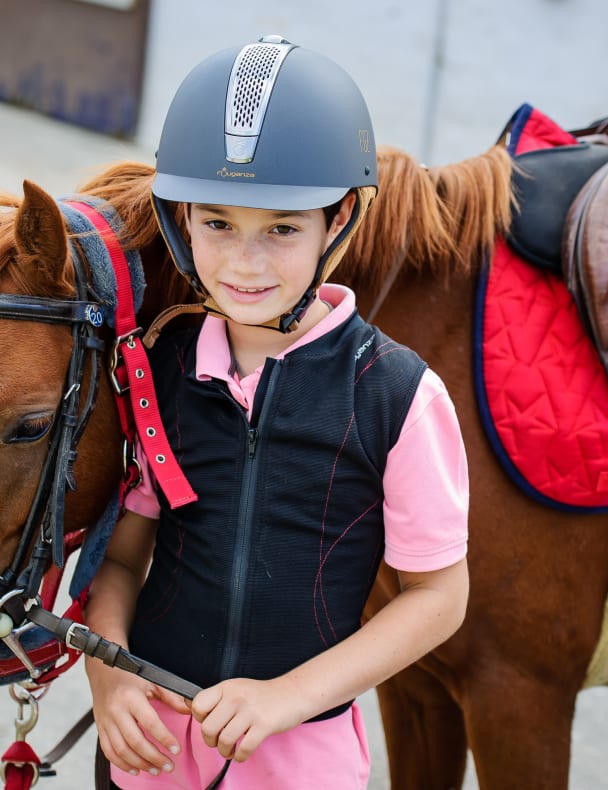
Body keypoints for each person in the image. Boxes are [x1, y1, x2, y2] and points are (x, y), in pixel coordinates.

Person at [84, 34, 469, 790]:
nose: (244, 262)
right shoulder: (159, 367)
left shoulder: (397, 394)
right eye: (218, 223)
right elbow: (124, 556)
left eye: (283, 228)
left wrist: (292, 698)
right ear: (180, 218)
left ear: (341, 220)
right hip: (148, 753)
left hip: (299, 763)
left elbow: (438, 597)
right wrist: (109, 669)